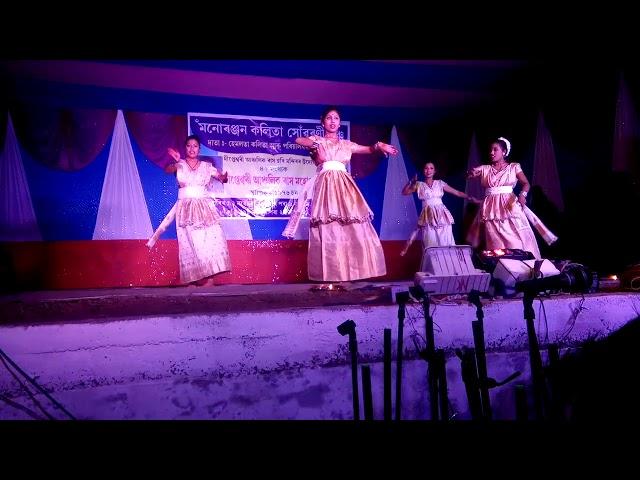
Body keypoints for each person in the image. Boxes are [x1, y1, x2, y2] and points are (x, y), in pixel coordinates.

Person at [295, 106, 398, 282]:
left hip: (345, 186)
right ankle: (330, 274)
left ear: (339, 122)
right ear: (323, 121)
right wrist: (316, 143)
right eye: (329, 118)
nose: (333, 121)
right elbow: (298, 140)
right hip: (326, 184)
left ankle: (351, 271)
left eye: (336, 118)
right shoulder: (318, 140)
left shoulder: (346, 144)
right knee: (328, 225)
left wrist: (380, 145)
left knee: (351, 223)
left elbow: (368, 149)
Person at [146, 135, 231, 285]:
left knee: (209, 241)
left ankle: (210, 280)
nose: (192, 149)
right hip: (185, 210)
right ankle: (192, 279)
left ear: (199, 149)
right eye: (189, 146)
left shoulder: (206, 166)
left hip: (204, 209)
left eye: (195, 146)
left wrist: (224, 177)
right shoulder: (180, 164)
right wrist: (176, 161)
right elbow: (168, 170)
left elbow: (221, 178)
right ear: (185, 148)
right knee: (188, 242)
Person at [466, 137, 557, 259]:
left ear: (504, 152)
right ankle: (505, 271)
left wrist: (522, 195)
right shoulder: (485, 169)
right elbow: (472, 173)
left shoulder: (514, 167)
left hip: (509, 206)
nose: (491, 152)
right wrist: (471, 173)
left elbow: (526, 183)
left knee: (516, 242)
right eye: (490, 150)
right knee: (496, 246)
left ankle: (526, 266)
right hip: (491, 210)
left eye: (495, 150)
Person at [400, 162, 480, 270]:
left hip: (442, 217)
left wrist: (470, 197)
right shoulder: (419, 185)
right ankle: (433, 270)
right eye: (426, 168)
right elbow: (404, 192)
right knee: (430, 243)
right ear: (423, 170)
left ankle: (451, 269)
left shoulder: (440, 183)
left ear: (434, 171)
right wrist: (411, 182)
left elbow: (456, 192)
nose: (428, 170)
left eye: (431, 168)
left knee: (445, 241)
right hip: (428, 217)